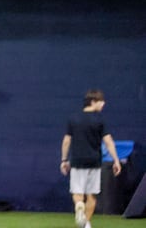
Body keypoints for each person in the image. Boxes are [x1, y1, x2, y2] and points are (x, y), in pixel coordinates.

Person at [62, 88, 123, 228]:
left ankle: (79, 206)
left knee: (77, 193)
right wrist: (116, 160)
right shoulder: (100, 120)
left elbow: (66, 141)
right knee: (92, 196)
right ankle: (86, 223)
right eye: (101, 102)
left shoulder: (73, 119)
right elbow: (108, 141)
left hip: (77, 161)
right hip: (94, 162)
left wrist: (64, 160)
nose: (103, 104)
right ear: (93, 102)